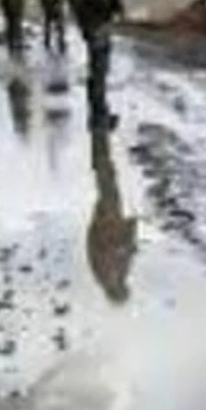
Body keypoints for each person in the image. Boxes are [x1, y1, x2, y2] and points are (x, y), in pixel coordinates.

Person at [68, 0, 124, 128]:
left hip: (103, 21)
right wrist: (101, 4)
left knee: (102, 68)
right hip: (93, 22)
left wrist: (117, 6)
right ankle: (98, 116)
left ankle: (100, 111)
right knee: (98, 69)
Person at [86, 127, 137, 303]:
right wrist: (130, 233)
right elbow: (125, 250)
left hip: (108, 223)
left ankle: (99, 136)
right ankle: (101, 139)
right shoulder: (114, 275)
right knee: (109, 181)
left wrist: (128, 235)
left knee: (107, 180)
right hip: (109, 222)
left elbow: (109, 249)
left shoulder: (107, 274)